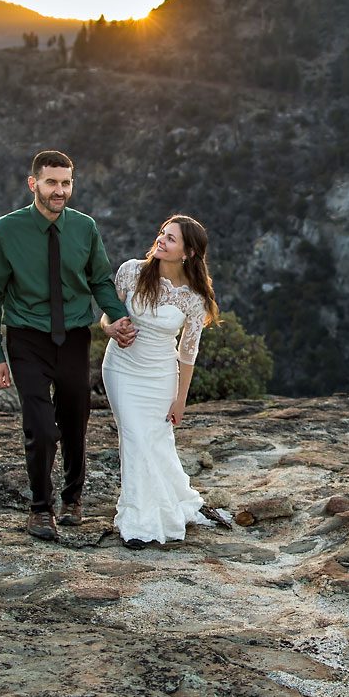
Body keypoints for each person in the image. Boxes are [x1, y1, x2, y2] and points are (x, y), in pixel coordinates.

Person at [0, 150, 136, 541]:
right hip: (27, 338)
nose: (59, 190)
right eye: (51, 182)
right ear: (34, 184)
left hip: (75, 338)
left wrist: (115, 317)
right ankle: (40, 508)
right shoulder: (5, 230)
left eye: (66, 183)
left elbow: (100, 279)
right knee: (42, 427)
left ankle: (73, 498)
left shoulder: (84, 228)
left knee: (75, 421)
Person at [99, 214, 222, 549]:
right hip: (121, 367)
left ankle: (174, 501)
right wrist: (109, 329)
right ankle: (137, 520)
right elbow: (109, 313)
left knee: (155, 439)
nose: (161, 241)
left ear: (189, 253)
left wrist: (181, 398)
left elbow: (188, 352)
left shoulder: (194, 298)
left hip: (161, 374)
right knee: (135, 436)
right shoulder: (132, 271)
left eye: (171, 239)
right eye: (162, 234)